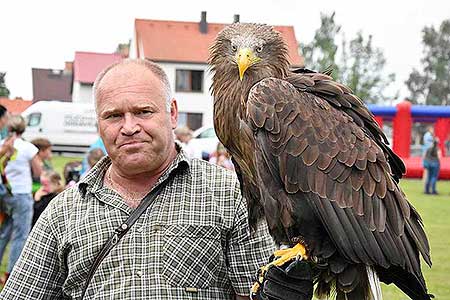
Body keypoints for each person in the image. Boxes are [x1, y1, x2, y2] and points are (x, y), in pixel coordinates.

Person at [0, 59, 285, 299]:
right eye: (113, 116)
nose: (129, 127)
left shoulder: (230, 196)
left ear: (171, 113)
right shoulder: (63, 213)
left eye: (143, 112)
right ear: (98, 124)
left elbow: (258, 294)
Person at [0, 115, 41, 285]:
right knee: (20, 235)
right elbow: (38, 171)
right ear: (23, 128)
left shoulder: (2, 145)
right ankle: (11, 274)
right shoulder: (28, 148)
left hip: (5, 193)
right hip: (22, 194)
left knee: (4, 232)